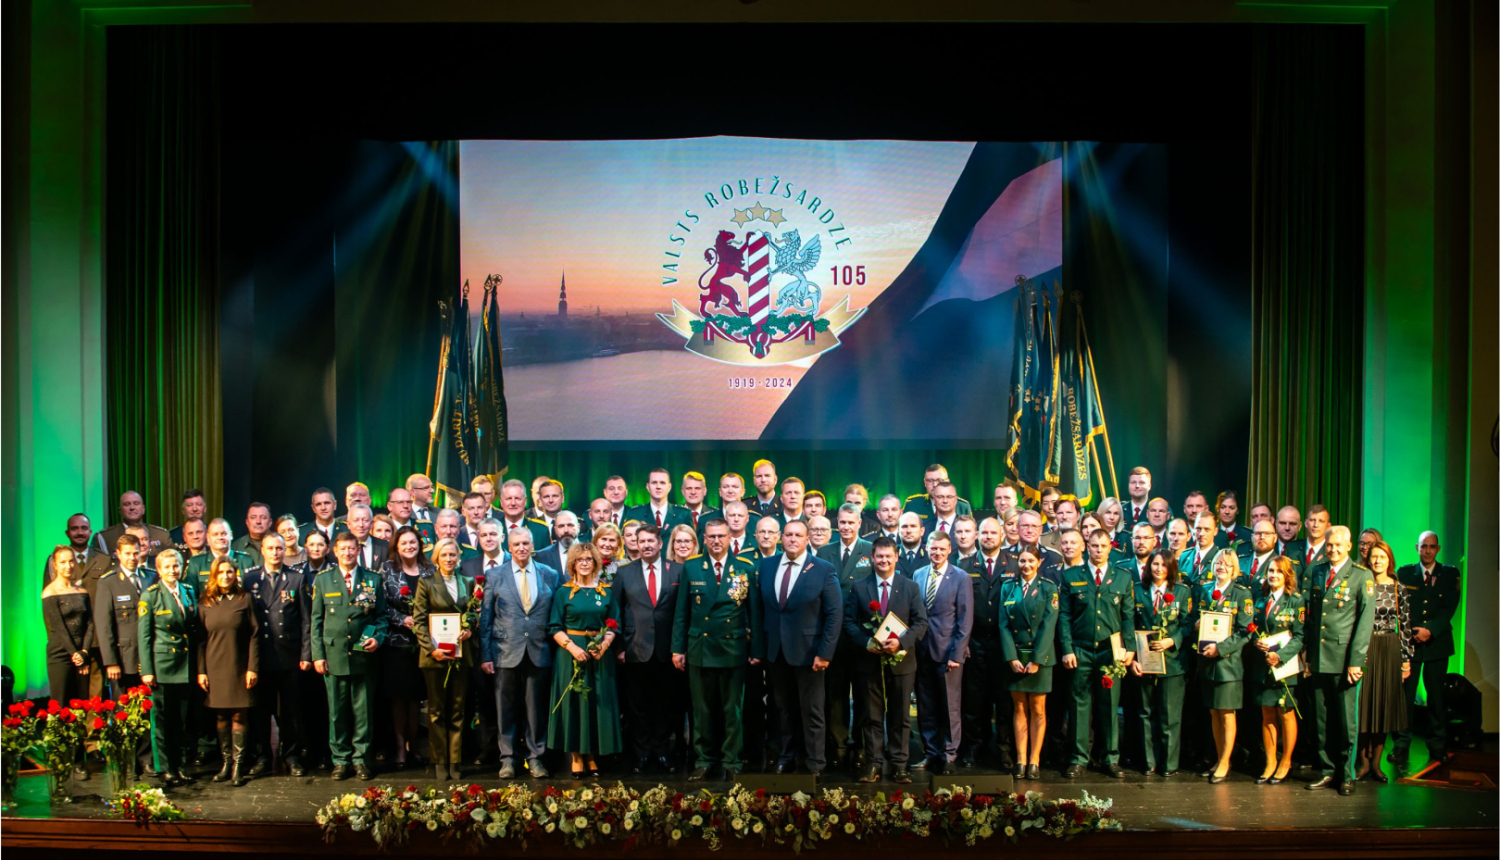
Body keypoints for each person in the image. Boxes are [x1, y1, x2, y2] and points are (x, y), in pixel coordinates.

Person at [672, 518, 763, 781]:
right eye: (711, 536)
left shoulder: (744, 567)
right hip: (700, 646)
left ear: (729, 537)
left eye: (721, 536)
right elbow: (682, 613)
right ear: (704, 539)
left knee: (732, 709)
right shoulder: (692, 567)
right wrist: (677, 649)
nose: (716, 541)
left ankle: (732, 759)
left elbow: (753, 613)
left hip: (732, 647)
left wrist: (756, 648)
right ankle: (704, 759)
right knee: (702, 710)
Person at [757, 519, 842, 779]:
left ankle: (815, 762)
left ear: (807, 540)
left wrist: (825, 653)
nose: (793, 539)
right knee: (782, 709)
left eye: (798, 535)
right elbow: (760, 610)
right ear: (781, 538)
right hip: (776, 652)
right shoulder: (767, 565)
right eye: (788, 535)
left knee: (812, 710)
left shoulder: (823, 569)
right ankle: (786, 757)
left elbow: (834, 614)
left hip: (810, 653)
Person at [478, 526, 561, 779]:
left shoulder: (549, 574)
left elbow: (555, 614)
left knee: (536, 710)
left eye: (526, 543)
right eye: (516, 545)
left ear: (532, 545)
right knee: (506, 709)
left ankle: (536, 758)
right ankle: (508, 760)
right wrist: (486, 655)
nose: (521, 548)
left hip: (538, 651)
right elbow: (486, 619)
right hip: (504, 651)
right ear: (509, 547)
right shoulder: (494, 575)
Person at [845, 537, 927, 784]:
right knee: (871, 717)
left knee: (900, 717)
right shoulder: (859, 587)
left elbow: (921, 623)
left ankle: (900, 765)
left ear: (896, 557)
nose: (883, 560)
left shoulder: (910, 587)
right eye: (879, 556)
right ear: (872, 557)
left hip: (902, 663)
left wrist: (901, 642)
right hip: (869, 663)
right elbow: (848, 623)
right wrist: (866, 642)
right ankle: (873, 764)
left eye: (888, 556)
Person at [310, 532, 389, 781]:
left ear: (358, 550)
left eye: (352, 549)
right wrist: (317, 655)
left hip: (363, 656)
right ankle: (341, 759)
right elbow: (316, 621)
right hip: (333, 655)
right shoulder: (323, 580)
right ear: (335, 551)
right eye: (342, 549)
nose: (347, 553)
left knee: (363, 711)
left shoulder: (372, 579)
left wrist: (377, 637)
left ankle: (361, 759)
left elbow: (381, 617)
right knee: (336, 712)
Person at [1303, 525, 1375, 796]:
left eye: (1337, 545)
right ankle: (1326, 770)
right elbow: (1313, 619)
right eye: (1329, 545)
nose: (1332, 549)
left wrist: (1357, 661)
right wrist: (1308, 654)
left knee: (1346, 722)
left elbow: (1364, 622)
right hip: (1320, 657)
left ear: (1348, 547)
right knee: (1320, 721)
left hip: (1345, 660)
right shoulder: (1318, 571)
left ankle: (1347, 774)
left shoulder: (1361, 576)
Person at [1059, 529, 1136, 779]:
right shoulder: (1071, 576)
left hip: (1110, 654)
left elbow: (1127, 617)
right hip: (1080, 650)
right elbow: (1065, 616)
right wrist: (1067, 649)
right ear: (1086, 547)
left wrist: (1131, 648)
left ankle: (1110, 758)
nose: (1099, 550)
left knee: (1109, 706)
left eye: (1103, 545)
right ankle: (1078, 758)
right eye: (1094, 545)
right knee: (1079, 706)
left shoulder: (1123, 578)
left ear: (1110, 547)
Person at [613, 524, 685, 774]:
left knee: (665, 705)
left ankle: (662, 753)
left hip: (668, 651)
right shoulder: (624, 573)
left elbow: (682, 612)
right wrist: (619, 648)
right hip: (635, 649)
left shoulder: (677, 570)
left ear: (660, 543)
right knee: (638, 707)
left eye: (650, 541)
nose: (645, 545)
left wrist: (680, 648)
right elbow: (615, 613)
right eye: (641, 541)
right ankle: (642, 754)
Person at [547, 543, 622, 777]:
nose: (584, 563)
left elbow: (613, 625)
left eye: (589, 559)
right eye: (580, 559)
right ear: (572, 563)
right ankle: (577, 757)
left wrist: (604, 645)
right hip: (570, 657)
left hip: (599, 656)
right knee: (574, 705)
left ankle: (592, 756)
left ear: (596, 562)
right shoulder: (563, 592)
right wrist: (572, 648)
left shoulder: (606, 592)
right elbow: (554, 627)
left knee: (596, 705)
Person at [243, 533, 310, 778]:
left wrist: (306, 654)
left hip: (289, 656)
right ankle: (263, 757)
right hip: (260, 656)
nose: (275, 552)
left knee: (290, 712)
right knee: (261, 711)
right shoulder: (249, 578)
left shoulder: (295, 578)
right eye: (271, 548)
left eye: (279, 548)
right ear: (262, 550)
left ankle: (291, 756)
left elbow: (305, 620)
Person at [1393, 530, 1461, 767]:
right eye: (1424, 546)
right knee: (1405, 697)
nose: (1428, 551)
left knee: (1436, 697)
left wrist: (1430, 630)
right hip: (1410, 643)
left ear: (1438, 549)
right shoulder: (1404, 573)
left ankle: (1437, 745)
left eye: (1432, 547)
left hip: (1437, 644)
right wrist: (1413, 631)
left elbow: (1449, 608)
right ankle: (1401, 744)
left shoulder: (1449, 574)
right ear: (1417, 547)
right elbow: (1400, 607)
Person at [412, 538, 476, 782]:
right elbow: (419, 620)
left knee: (458, 710)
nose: (449, 559)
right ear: (436, 558)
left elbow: (472, 614)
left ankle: (455, 761)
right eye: (444, 555)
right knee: (437, 711)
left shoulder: (467, 582)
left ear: (458, 557)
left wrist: (469, 629)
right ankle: (439, 760)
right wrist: (431, 649)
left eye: (453, 555)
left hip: (461, 653)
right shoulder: (426, 583)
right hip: (435, 657)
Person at [817, 503, 874, 771]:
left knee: (864, 695)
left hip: (862, 637)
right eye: (842, 522)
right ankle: (838, 746)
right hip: (833, 637)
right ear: (836, 523)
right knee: (835, 695)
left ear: (859, 523)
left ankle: (862, 747)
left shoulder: (870, 551)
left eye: (851, 522)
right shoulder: (824, 551)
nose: (846, 527)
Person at [911, 530, 973, 775]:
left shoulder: (961, 577)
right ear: (927, 548)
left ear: (949, 550)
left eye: (941, 549)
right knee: (926, 706)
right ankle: (931, 752)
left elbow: (964, 621)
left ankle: (948, 755)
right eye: (932, 548)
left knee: (950, 707)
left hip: (948, 653)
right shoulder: (918, 574)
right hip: (921, 651)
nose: (936, 552)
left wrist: (956, 655)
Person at [196, 557, 262, 787]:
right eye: (221, 572)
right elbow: (201, 640)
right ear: (214, 575)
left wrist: (252, 668)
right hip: (214, 666)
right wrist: (201, 671)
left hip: (239, 666)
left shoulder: (245, 599)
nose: (226, 576)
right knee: (221, 715)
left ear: (236, 574)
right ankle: (225, 763)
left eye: (230, 572)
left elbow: (255, 635)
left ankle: (238, 766)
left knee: (239, 715)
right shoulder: (205, 602)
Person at [137, 549, 198, 787]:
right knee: (161, 721)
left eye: (177, 566)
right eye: (168, 567)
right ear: (159, 570)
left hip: (184, 665)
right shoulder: (150, 596)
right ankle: (165, 768)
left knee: (181, 721)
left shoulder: (189, 591)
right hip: (161, 666)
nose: (173, 571)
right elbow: (144, 636)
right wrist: (147, 670)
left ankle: (180, 765)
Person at [999, 546, 1059, 781]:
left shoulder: (1048, 588)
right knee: (1019, 708)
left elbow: (1048, 625)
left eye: (1031, 561)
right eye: (1022, 561)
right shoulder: (1008, 587)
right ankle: (1020, 760)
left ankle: (1034, 760)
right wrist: (1011, 657)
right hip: (1015, 657)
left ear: (1039, 561)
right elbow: (1003, 624)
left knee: (1038, 709)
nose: (1026, 565)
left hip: (1038, 658)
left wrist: (1036, 660)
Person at [959, 516, 1014, 771]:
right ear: (977, 536)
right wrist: (965, 641)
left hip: (1004, 644)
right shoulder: (965, 565)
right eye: (984, 533)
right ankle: (974, 747)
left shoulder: (1013, 564)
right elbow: (959, 608)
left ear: (1001, 535)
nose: (989, 536)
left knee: (1004, 701)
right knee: (974, 701)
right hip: (975, 642)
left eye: (994, 532)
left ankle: (1003, 750)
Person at [1193, 550, 1253, 783]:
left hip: (1228, 664)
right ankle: (1219, 757)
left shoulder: (1241, 594)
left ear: (1235, 569)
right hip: (1207, 663)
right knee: (1214, 712)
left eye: (1227, 564)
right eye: (1218, 562)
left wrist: (1222, 648)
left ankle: (1226, 761)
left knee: (1227, 713)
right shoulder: (1205, 590)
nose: (1221, 567)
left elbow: (1244, 632)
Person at [1355, 540, 1411, 784]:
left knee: (1383, 708)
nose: (1377, 561)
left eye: (1382, 557)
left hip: (1388, 649)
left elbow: (1405, 626)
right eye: (1374, 556)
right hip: (1365, 648)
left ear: (1390, 560)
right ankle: (1362, 763)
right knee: (1364, 707)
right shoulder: (1361, 583)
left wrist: (1406, 660)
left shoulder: (1399, 588)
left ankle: (1376, 764)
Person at [1133, 550, 1193, 777]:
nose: (1158, 568)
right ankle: (1149, 762)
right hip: (1145, 661)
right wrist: (1133, 658)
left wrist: (1172, 640)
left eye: (1163, 565)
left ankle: (1169, 764)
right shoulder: (1137, 591)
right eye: (1155, 564)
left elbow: (1189, 624)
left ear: (1171, 568)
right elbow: (1129, 623)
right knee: (1145, 714)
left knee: (1170, 716)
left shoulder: (1182, 591)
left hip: (1173, 663)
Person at [379, 525, 433, 769]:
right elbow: (381, 605)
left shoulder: (430, 569)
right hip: (396, 643)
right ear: (396, 547)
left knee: (416, 698)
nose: (409, 546)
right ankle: (400, 750)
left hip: (424, 643)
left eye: (413, 542)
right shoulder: (388, 569)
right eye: (404, 543)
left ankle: (415, 748)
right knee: (399, 699)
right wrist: (403, 620)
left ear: (419, 544)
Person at [1248, 556, 1304, 784]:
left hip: (1284, 667)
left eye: (1279, 572)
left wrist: (1280, 655)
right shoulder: (1260, 600)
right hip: (1262, 667)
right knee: (1267, 713)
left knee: (1286, 713)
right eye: (1271, 570)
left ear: (1287, 575)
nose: (1273, 575)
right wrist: (1256, 642)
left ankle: (1286, 760)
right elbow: (1251, 628)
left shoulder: (1296, 601)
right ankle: (1270, 761)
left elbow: (1300, 636)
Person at [43, 546, 94, 779]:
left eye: (71, 561)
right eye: (62, 562)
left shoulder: (82, 590)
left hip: (80, 655)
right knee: (61, 706)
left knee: (80, 707)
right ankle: (59, 759)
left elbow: (90, 624)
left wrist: (83, 652)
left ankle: (77, 760)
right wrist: (74, 653)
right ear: (55, 565)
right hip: (60, 654)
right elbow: (59, 629)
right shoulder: (49, 592)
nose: (68, 566)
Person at [296, 530, 335, 771]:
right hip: (304, 646)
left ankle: (326, 751)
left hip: (330, 646)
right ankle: (307, 749)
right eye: (312, 544)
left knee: (327, 705)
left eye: (321, 544)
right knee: (305, 704)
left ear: (328, 548)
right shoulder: (297, 572)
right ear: (305, 547)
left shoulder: (336, 571)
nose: (316, 548)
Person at [93, 490, 171, 558]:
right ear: (120, 511)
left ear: (143, 509)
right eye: (127, 504)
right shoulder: (104, 538)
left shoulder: (161, 535)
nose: (132, 507)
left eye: (136, 503)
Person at [186, 518, 253, 593]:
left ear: (231, 535)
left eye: (223, 534)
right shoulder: (196, 563)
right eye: (215, 534)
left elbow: (250, 594)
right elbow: (191, 596)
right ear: (208, 538)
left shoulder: (246, 561)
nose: (220, 537)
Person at [626, 468, 692, 534]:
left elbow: (691, 542)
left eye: (662, 483)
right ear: (648, 487)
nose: (658, 486)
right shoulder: (635, 514)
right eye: (654, 483)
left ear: (669, 487)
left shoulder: (684, 514)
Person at [903, 463, 973, 520]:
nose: (935, 485)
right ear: (925, 482)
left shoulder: (962, 507)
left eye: (939, 480)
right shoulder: (912, 505)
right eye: (930, 481)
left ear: (947, 482)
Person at [498, 480, 552, 548]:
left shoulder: (541, 530)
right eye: (509, 499)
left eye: (517, 498)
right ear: (501, 502)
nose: (513, 503)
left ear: (525, 501)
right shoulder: (492, 530)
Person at [1178, 514, 1221, 587]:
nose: (1201, 533)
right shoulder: (1184, 556)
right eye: (1198, 529)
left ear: (1215, 531)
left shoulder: (1220, 558)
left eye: (1207, 529)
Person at [345, 505, 389, 571]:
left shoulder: (385, 547)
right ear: (348, 524)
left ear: (371, 524)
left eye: (365, 520)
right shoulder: (341, 548)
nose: (361, 525)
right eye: (356, 520)